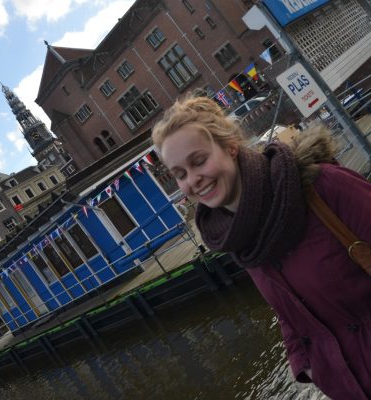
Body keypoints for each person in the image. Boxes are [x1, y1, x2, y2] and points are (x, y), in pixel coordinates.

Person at [151, 95, 371, 400]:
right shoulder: (240, 237)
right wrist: (305, 363)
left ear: (231, 146)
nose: (193, 179)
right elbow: (289, 310)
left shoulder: (323, 187)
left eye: (199, 161)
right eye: (180, 174)